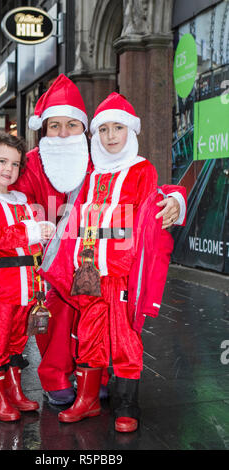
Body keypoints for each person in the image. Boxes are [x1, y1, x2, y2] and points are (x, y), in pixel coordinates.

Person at [0, 74, 185, 406]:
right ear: (44, 129)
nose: (63, 133)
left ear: (84, 129)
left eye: (71, 125)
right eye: (54, 126)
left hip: (97, 259)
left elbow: (141, 182)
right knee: (54, 314)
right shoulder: (30, 164)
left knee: (104, 318)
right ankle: (55, 378)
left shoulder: (98, 158)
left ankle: (97, 379)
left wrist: (174, 200)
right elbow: (0, 201)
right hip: (44, 264)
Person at [38, 92, 187, 432]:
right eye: (103, 130)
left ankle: (126, 404)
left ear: (131, 131)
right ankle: (87, 399)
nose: (110, 136)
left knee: (123, 338)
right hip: (86, 273)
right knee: (88, 335)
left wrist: (176, 197)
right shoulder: (91, 174)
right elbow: (75, 219)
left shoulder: (141, 169)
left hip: (119, 274)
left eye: (118, 128)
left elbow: (155, 203)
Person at [0, 129, 55, 422]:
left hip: (28, 286)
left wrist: (43, 235)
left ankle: (14, 392)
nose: (9, 169)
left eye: (15, 164)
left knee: (17, 341)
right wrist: (31, 230)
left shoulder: (22, 199)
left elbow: (31, 242)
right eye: (1, 161)